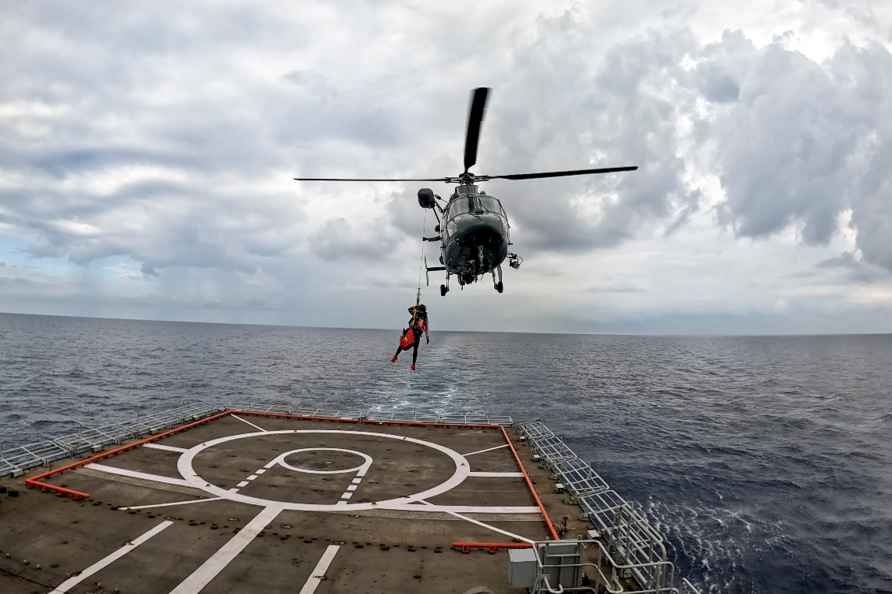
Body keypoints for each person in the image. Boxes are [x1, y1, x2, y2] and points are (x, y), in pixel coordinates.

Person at [391, 304, 429, 370]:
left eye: (421, 310)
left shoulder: (424, 317)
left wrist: (427, 336)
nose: (420, 312)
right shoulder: (416, 313)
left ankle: (413, 364)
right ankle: (395, 356)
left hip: (417, 334)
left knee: (415, 349)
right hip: (410, 332)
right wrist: (415, 306)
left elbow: (426, 327)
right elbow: (409, 309)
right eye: (419, 310)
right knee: (402, 344)